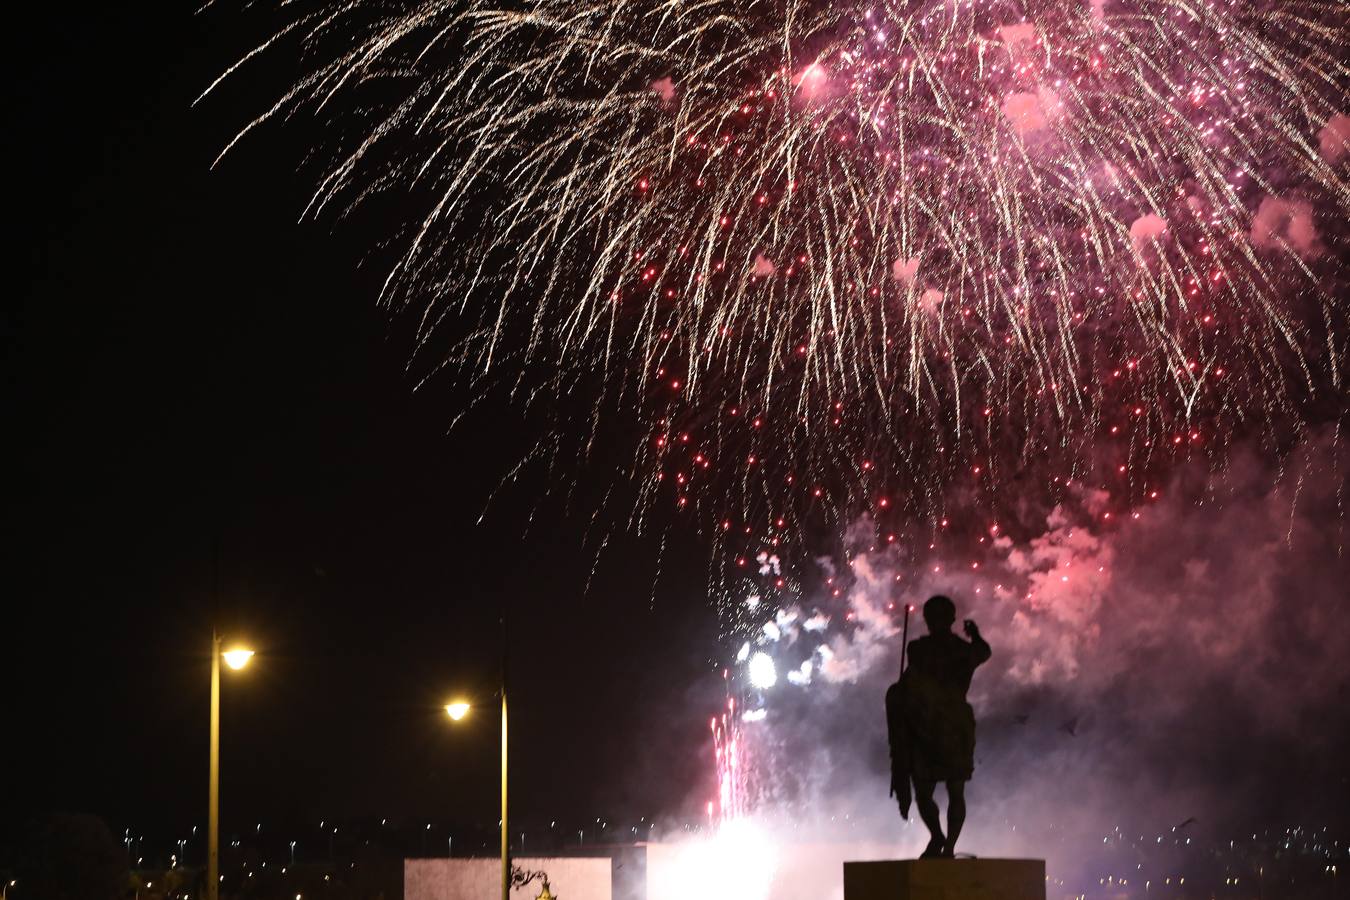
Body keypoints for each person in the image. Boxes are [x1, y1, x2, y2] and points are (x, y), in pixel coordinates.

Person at [886, 595, 992, 858]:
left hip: (929, 726)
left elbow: (909, 685)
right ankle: (946, 844)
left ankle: (940, 840)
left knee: (926, 790)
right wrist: (975, 635)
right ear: (952, 619)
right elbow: (984, 652)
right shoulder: (964, 650)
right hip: (953, 725)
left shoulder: (917, 649)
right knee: (952, 790)